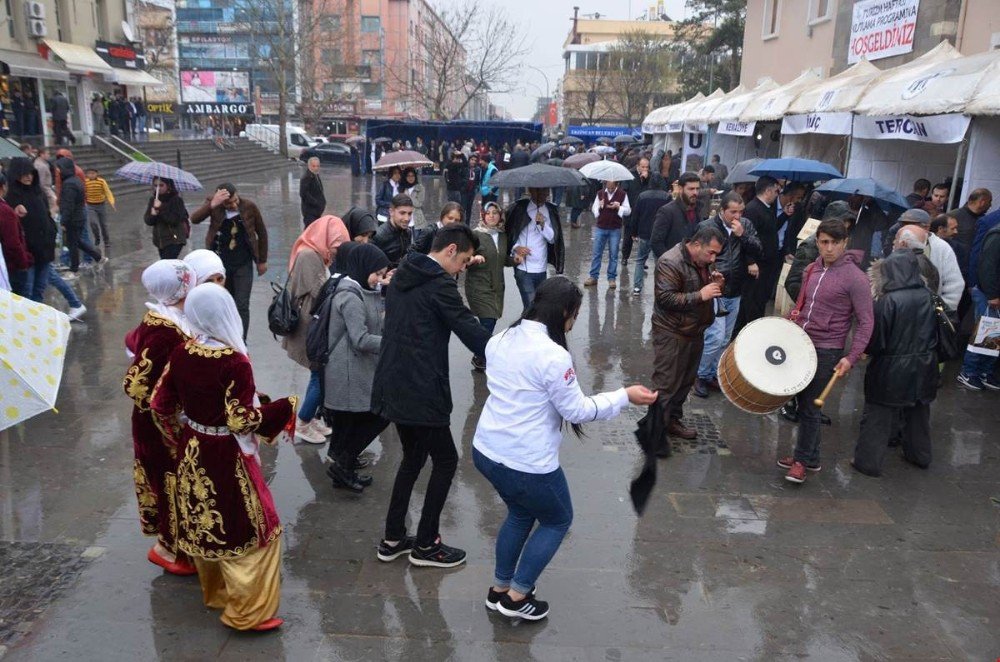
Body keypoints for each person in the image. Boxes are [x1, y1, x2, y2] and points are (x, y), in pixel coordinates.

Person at [473, 276, 658, 620]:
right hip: (525, 461)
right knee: (558, 520)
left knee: (520, 512)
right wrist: (623, 395)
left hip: (486, 450)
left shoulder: (499, 339)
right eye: (575, 315)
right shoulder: (553, 356)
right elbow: (577, 411)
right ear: (566, 313)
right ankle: (516, 597)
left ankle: (499, 588)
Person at [150, 283, 296, 632]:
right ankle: (247, 612)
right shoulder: (235, 363)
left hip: (193, 449)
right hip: (227, 457)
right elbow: (240, 420)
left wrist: (178, 438)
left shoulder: (183, 352)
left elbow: (159, 404)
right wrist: (281, 408)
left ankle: (218, 595)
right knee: (254, 530)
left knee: (207, 526)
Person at [371, 224, 491, 568]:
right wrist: (510, 351)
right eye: (464, 261)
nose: (463, 268)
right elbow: (469, 329)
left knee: (412, 458)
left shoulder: (404, 272)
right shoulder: (439, 283)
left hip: (393, 383)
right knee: (446, 460)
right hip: (421, 388)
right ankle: (426, 544)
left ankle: (393, 538)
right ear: (450, 251)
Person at [778, 218, 873, 484]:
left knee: (810, 408)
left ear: (845, 243)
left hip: (827, 349)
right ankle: (811, 456)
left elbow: (866, 322)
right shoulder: (811, 269)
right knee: (800, 402)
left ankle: (801, 462)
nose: (828, 248)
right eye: (824, 242)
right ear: (817, 242)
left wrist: (851, 357)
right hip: (801, 343)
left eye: (834, 243)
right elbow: (802, 304)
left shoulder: (856, 279)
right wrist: (787, 321)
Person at [123, 260, 198, 577]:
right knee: (170, 483)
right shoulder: (164, 331)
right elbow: (136, 385)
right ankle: (168, 548)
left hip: (166, 416)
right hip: (158, 423)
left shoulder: (168, 318)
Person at [852, 250, 938, 476]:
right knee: (919, 414)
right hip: (924, 364)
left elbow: (876, 340)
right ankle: (920, 455)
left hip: (891, 369)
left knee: (877, 417)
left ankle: (867, 462)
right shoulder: (928, 296)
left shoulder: (888, 301)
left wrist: (864, 351)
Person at [323, 243, 392, 492]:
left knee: (351, 422)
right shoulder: (350, 296)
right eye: (378, 273)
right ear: (364, 268)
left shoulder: (358, 288)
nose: (379, 279)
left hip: (354, 368)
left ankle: (346, 469)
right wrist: (393, 343)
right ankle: (343, 465)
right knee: (379, 415)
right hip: (349, 372)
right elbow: (360, 339)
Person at [652, 224, 726, 445]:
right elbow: (665, 299)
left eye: (716, 254)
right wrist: (700, 295)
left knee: (685, 382)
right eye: (710, 252)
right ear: (695, 244)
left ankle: (672, 421)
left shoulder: (701, 262)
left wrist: (715, 285)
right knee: (666, 384)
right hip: (671, 333)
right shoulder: (670, 261)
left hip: (694, 331)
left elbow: (699, 289)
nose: (713, 259)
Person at [282, 216, 350, 444]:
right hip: (309, 327)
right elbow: (319, 290)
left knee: (319, 375)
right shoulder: (309, 255)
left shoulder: (318, 254)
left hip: (314, 324)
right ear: (325, 237)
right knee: (318, 376)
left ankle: (309, 418)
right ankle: (302, 422)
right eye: (336, 244)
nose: (337, 250)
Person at [693, 192, 762, 398]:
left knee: (725, 338)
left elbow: (759, 250)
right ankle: (700, 375)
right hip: (715, 288)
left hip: (736, 288)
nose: (737, 216)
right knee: (714, 336)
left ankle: (712, 373)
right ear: (722, 210)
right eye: (733, 212)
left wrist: (743, 235)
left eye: (741, 212)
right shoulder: (707, 227)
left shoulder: (745, 226)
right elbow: (696, 256)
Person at [191, 183, 269, 339]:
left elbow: (262, 233)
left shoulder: (249, 206)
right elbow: (194, 219)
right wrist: (212, 204)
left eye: (235, 200)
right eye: (228, 203)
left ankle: (241, 340)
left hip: (244, 262)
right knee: (225, 302)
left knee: (242, 304)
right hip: (220, 264)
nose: (233, 205)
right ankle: (225, 336)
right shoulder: (214, 207)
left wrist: (262, 261)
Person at [731, 176, 781, 337]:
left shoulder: (767, 208)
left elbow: (768, 230)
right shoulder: (753, 209)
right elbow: (745, 237)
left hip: (766, 266)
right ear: (768, 190)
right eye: (775, 190)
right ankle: (745, 338)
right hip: (756, 268)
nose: (777, 194)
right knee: (751, 305)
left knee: (759, 303)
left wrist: (785, 215)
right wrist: (750, 261)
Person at [466, 202, 512, 370]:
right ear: (483, 215)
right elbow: (463, 258)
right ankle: (480, 356)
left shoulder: (503, 236)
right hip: (478, 286)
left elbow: (503, 258)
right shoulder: (475, 235)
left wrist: (516, 259)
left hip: (496, 286)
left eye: (495, 213)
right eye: (488, 213)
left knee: (489, 321)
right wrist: (472, 260)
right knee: (488, 321)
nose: (491, 216)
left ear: (500, 216)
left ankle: (481, 354)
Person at [957, 216, 1000, 391]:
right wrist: (992, 294)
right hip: (990, 295)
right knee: (985, 334)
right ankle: (969, 372)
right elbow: (987, 266)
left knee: (994, 335)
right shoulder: (997, 235)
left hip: (992, 294)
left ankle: (984, 371)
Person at [505, 188, 565, 310]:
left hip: (541, 269)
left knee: (537, 307)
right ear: (531, 191)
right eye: (539, 192)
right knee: (531, 308)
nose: (542, 195)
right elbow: (509, 233)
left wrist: (542, 224)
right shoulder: (519, 208)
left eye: (545, 192)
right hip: (523, 269)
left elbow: (553, 239)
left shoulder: (551, 210)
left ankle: (525, 326)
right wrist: (516, 248)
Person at [895, 209, 963, 311]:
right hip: (900, 308)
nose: (906, 229)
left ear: (926, 227)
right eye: (903, 225)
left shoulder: (941, 247)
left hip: (929, 310)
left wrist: (941, 310)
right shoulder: (898, 243)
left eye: (911, 225)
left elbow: (954, 283)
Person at [58, 157, 104, 273]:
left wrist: (64, 221)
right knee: (77, 241)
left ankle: (74, 268)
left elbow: (69, 204)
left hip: (73, 218)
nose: (58, 171)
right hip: (78, 216)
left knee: (72, 243)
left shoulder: (69, 184)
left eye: (59, 169)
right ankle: (98, 257)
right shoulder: (76, 180)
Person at [584, 179, 630, 289]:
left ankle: (611, 278)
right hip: (601, 227)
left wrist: (619, 207)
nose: (609, 190)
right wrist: (599, 206)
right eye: (608, 187)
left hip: (615, 228)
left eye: (612, 188)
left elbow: (628, 211)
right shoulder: (600, 193)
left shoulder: (622, 194)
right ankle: (593, 276)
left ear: (617, 185)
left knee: (613, 255)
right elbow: (594, 209)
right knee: (596, 253)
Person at [650, 172, 703, 260]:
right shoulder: (667, 211)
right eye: (691, 189)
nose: (695, 192)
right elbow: (656, 243)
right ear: (680, 189)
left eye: (697, 189)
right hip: (672, 267)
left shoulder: (699, 209)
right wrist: (671, 262)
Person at [623, 157, 665, 263]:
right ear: (638, 166)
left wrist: (646, 179)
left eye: (647, 167)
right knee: (628, 235)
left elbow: (656, 188)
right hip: (632, 208)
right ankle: (625, 257)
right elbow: (624, 190)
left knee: (645, 238)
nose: (645, 169)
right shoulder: (630, 174)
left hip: (645, 210)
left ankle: (643, 260)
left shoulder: (651, 176)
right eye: (643, 167)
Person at [631, 187, 671, 295]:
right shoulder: (666, 196)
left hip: (644, 233)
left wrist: (633, 232)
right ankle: (660, 287)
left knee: (640, 261)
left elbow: (636, 215)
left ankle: (637, 288)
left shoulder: (642, 195)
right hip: (659, 235)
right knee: (659, 262)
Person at [0, 174, 33, 297]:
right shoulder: (5, 211)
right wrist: (23, 263)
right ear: (3, 187)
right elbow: (12, 244)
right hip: (11, 267)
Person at [143, 177, 188, 260]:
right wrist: (153, 214)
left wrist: (161, 208)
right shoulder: (153, 200)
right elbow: (148, 221)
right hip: (160, 241)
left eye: (161, 185)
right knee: (167, 264)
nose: (158, 188)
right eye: (155, 185)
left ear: (168, 186)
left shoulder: (176, 200)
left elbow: (174, 220)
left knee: (167, 264)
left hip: (174, 240)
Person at [372, 194, 414, 268]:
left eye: (409, 214)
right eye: (402, 213)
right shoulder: (379, 236)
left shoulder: (408, 232)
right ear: (391, 212)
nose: (407, 218)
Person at [947, 188, 992, 254]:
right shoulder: (953, 216)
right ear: (982, 202)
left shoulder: (984, 220)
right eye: (989, 201)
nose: (990, 205)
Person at [84, 168, 116, 258]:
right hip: (90, 205)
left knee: (103, 224)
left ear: (96, 174)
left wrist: (112, 202)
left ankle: (106, 241)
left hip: (101, 205)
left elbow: (107, 192)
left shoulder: (102, 182)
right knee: (93, 223)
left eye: (93, 173)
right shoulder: (85, 182)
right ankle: (97, 238)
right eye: (89, 173)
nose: (91, 175)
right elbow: (83, 192)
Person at [299, 157, 326, 227]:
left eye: (318, 166)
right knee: (310, 231)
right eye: (313, 166)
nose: (316, 168)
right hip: (310, 211)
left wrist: (323, 202)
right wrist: (316, 203)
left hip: (316, 211)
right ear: (309, 166)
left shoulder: (315, 175)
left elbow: (319, 190)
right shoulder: (307, 177)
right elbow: (303, 194)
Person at [461, 154, 482, 224]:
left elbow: (478, 180)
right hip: (464, 191)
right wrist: (463, 185)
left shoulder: (477, 169)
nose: (473, 162)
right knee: (463, 208)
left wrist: (476, 188)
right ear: (469, 160)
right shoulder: (465, 167)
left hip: (472, 191)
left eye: (475, 160)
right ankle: (461, 223)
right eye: (472, 160)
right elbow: (461, 177)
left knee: (469, 208)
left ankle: (467, 224)